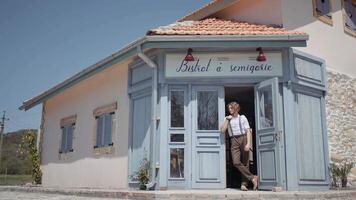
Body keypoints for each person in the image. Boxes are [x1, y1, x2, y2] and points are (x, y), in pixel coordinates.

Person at [220, 102, 258, 191]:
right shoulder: (227, 118)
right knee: (236, 162)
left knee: (245, 162)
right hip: (234, 140)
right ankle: (253, 177)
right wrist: (226, 120)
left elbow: (248, 131)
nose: (230, 110)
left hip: (243, 138)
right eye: (229, 108)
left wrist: (248, 143)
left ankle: (244, 184)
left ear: (236, 108)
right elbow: (222, 130)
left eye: (231, 108)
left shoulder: (242, 117)